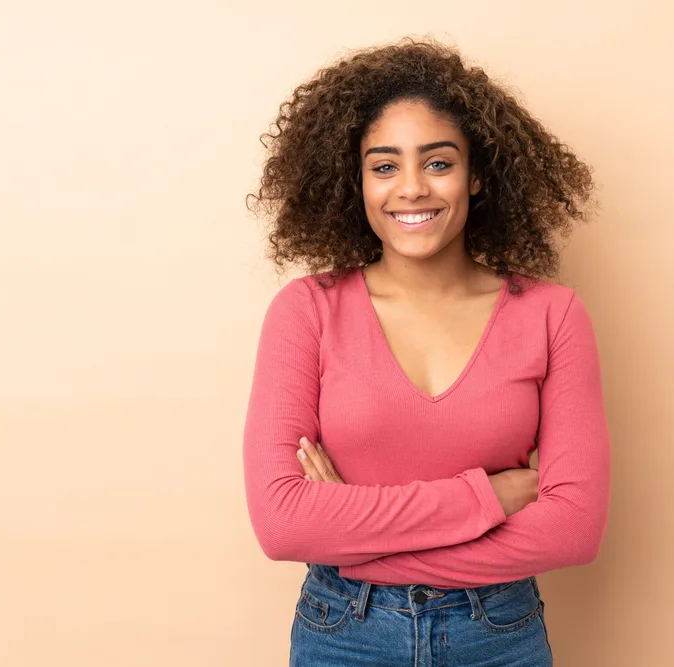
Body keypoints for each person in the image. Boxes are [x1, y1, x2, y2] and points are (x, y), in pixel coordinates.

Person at [243, 37, 611, 666]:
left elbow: (573, 529)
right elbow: (282, 524)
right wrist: (486, 499)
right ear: (355, 181)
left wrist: (350, 536)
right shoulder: (307, 311)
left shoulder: (553, 315)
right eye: (384, 166)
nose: (411, 188)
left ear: (478, 176)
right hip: (344, 636)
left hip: (497, 635)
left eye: (437, 163)